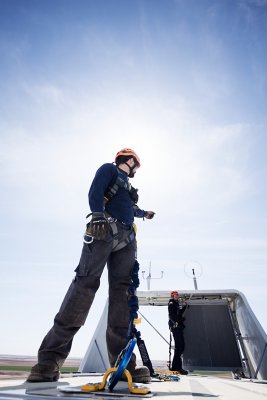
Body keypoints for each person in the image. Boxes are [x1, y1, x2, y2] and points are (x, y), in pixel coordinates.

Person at [27, 148, 155, 383]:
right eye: (136, 164)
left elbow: (128, 209)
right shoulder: (108, 169)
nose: (137, 169)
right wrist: (97, 215)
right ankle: (49, 361)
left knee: (123, 297)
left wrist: (144, 213)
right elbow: (95, 191)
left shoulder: (129, 188)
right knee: (83, 288)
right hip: (103, 230)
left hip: (127, 240)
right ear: (130, 160)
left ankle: (123, 365)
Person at [168, 290, 188, 375]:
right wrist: (178, 321)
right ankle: (178, 367)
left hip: (178, 327)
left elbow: (179, 314)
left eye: (177, 295)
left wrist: (185, 307)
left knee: (180, 346)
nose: (177, 296)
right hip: (175, 327)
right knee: (179, 347)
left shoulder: (176, 304)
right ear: (172, 296)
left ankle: (174, 367)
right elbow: (172, 315)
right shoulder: (172, 303)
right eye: (175, 295)